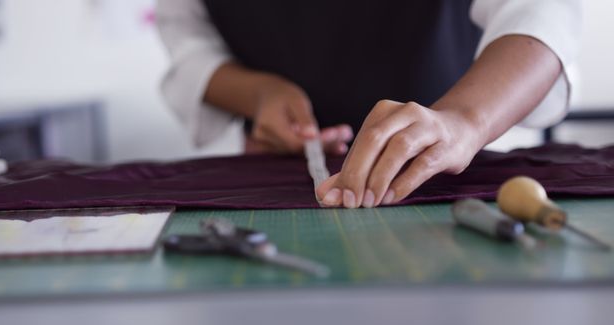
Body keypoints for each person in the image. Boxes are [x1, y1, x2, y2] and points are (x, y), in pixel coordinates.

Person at [157, 0, 581, 208]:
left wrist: (462, 120)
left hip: (457, 179)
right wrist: (259, 94)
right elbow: (189, 48)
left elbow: (541, 14)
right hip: (269, 178)